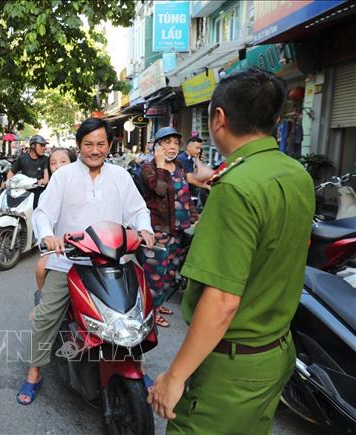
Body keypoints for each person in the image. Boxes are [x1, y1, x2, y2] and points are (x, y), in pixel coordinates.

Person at [147, 69, 315, 434]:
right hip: (277, 351)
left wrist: (174, 377)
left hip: (233, 369)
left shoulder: (235, 186)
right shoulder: (296, 173)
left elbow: (223, 300)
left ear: (219, 119)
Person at [17, 117, 156, 405]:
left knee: (135, 313)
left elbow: (138, 210)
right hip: (69, 262)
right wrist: (47, 236)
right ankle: (34, 372)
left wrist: (145, 229)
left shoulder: (120, 176)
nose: (95, 150)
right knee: (46, 317)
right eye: (88, 144)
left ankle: (137, 367)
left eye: (101, 144)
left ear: (110, 145)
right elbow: (44, 214)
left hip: (113, 262)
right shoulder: (64, 177)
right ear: (78, 146)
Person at [140, 127, 199, 328]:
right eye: (167, 143)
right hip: (159, 230)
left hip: (179, 230)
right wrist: (160, 164)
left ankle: (158, 304)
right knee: (155, 272)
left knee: (170, 273)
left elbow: (185, 195)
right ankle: (150, 311)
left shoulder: (180, 166)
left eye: (175, 143)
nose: (172, 147)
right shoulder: (149, 169)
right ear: (157, 147)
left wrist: (194, 216)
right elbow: (160, 190)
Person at [33, 148, 76, 300]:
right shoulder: (48, 192)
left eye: (63, 162)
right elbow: (42, 216)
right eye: (53, 163)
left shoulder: (83, 187)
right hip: (59, 247)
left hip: (87, 245)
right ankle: (43, 299)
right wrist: (48, 237)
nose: (58, 166)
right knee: (40, 268)